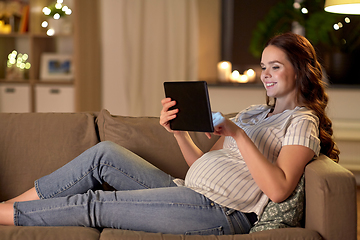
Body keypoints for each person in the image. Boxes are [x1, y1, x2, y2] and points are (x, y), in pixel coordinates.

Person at [0, 32, 339, 235]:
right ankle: (9, 207)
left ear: (301, 69)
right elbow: (202, 167)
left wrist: (238, 135)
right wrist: (178, 134)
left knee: (95, 204)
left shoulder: (302, 121)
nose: (265, 74)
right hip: (191, 190)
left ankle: (5, 214)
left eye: (275, 66)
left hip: (221, 212)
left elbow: (279, 189)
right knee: (104, 154)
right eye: (263, 66)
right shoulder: (254, 112)